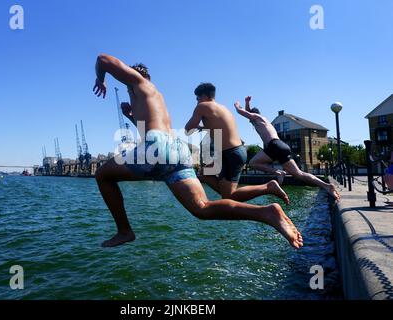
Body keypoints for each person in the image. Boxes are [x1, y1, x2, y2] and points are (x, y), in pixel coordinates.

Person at [93, 53, 303, 249]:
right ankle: (267, 213)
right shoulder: (154, 97)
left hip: (158, 147)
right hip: (176, 150)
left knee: (103, 175)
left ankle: (124, 231)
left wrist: (100, 79)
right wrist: (131, 115)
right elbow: (150, 130)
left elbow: (103, 59)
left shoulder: (137, 81)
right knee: (202, 208)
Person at [184, 83, 289, 205]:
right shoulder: (222, 109)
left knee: (229, 196)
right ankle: (226, 195)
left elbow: (188, 130)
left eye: (197, 98)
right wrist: (203, 126)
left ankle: (268, 187)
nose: (197, 102)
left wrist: (196, 125)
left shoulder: (202, 107)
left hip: (230, 154)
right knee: (204, 173)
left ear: (203, 96)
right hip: (231, 152)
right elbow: (222, 128)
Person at [234, 96, 340, 200]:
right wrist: (247, 102)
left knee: (253, 163)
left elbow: (244, 113)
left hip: (273, 145)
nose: (250, 121)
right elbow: (248, 113)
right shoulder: (261, 120)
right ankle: (326, 186)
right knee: (299, 174)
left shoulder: (257, 118)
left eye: (250, 119)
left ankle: (278, 172)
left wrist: (238, 106)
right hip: (281, 145)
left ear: (253, 115)